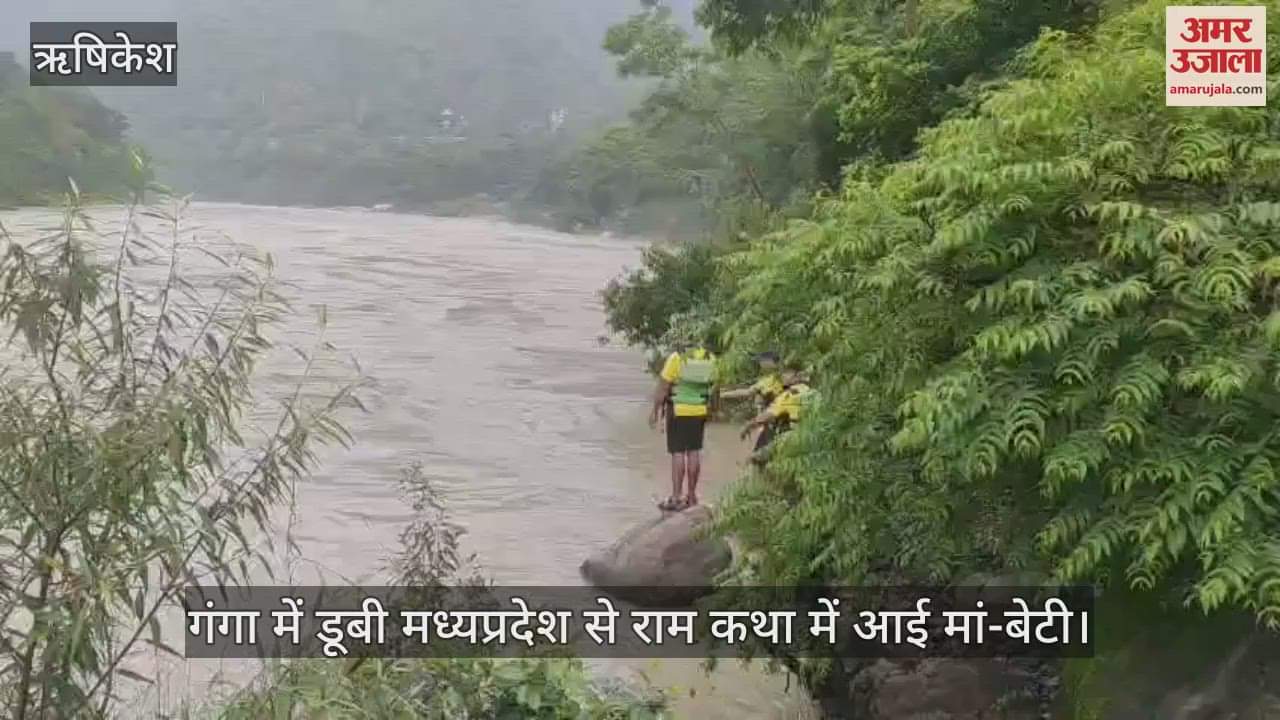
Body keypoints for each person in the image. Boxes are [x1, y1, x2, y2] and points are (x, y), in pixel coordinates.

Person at [649, 339, 717, 511]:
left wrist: (655, 411)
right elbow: (715, 388)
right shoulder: (710, 358)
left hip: (678, 410)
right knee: (694, 451)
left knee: (678, 452)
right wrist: (713, 410)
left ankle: (677, 496)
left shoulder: (676, 358)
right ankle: (692, 495)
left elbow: (663, 388)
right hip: (699, 410)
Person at [740, 367, 812, 466]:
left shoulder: (789, 395)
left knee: (757, 459)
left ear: (797, 376)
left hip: (788, 437)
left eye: (787, 373)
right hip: (809, 437)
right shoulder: (811, 392)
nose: (783, 375)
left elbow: (768, 415)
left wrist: (748, 426)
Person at [720, 351, 784, 455]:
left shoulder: (770, 380)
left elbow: (748, 392)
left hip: (774, 422)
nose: (760, 364)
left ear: (769, 362)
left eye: (761, 361)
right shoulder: (777, 378)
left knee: (760, 456)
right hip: (773, 421)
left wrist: (724, 394)